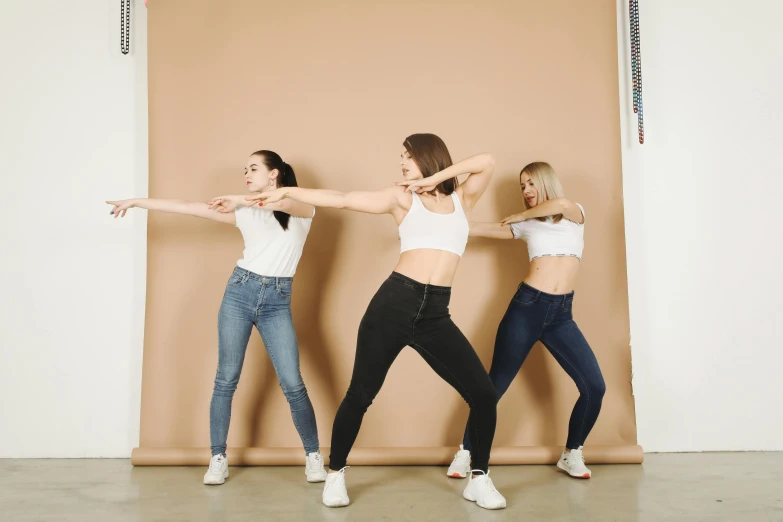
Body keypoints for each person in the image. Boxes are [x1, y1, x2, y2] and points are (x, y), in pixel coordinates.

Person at [216, 134, 506, 510]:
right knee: (360, 395)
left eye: (408, 156)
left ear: (428, 157)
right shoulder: (403, 198)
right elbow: (342, 198)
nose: (402, 163)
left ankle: (479, 479)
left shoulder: (462, 200)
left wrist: (435, 179)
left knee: (483, 394)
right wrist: (288, 191)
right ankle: (335, 475)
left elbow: (487, 160)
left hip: (436, 314)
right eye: (401, 156)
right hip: (392, 307)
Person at [108, 150, 327, 485]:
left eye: (254, 169)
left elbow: (281, 202)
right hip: (239, 293)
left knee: (293, 383)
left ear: (275, 174)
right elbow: (187, 206)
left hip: (277, 301)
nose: (247, 175)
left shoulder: (301, 208)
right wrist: (138, 201)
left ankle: (313, 457)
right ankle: (218, 458)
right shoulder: (244, 211)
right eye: (245, 170)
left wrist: (240, 199)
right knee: (226, 380)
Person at [446, 161, 605, 481]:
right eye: (522, 187)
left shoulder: (575, 214)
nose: (526, 191)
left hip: (562, 315)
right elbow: (474, 228)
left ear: (546, 182)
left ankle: (572, 453)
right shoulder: (526, 226)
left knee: (594, 387)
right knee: (494, 387)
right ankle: (465, 453)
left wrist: (520, 214)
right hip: (527, 308)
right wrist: (439, 214)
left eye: (531, 183)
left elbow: (559, 204)